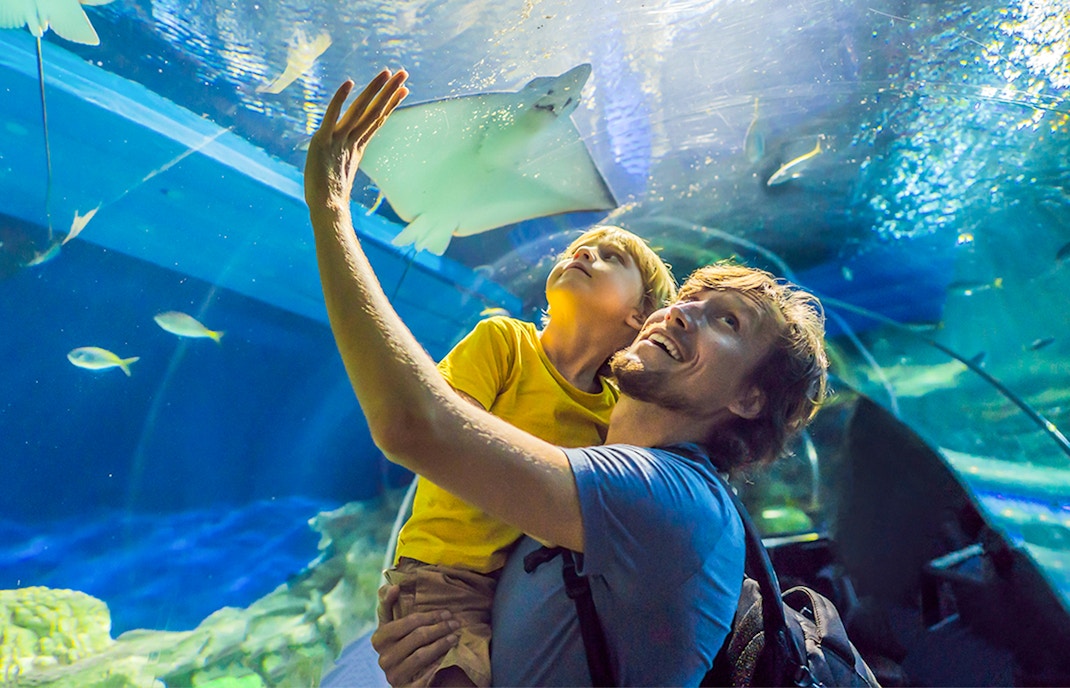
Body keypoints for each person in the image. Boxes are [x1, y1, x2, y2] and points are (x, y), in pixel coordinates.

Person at [305, 68, 828, 686]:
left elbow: (415, 424)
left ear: (749, 398)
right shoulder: (584, 464)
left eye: (728, 322)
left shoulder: (669, 497)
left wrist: (331, 209)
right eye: (686, 298)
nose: (683, 311)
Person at [383, 225, 675, 687]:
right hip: (445, 576)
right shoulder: (504, 342)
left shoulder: (614, 410)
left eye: (611, 257)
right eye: (579, 248)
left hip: (519, 585)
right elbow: (447, 433)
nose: (584, 253)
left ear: (639, 314)